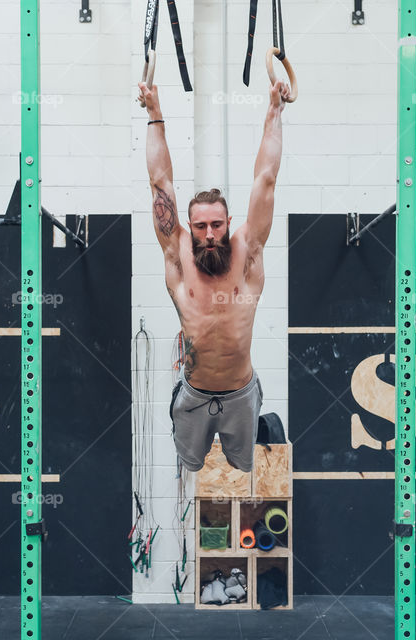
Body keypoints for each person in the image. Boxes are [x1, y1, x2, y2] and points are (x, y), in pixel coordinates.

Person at [137, 78, 291, 472]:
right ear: (188, 224)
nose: (209, 234)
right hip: (194, 394)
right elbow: (160, 183)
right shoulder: (178, 255)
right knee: (189, 465)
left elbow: (266, 179)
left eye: (217, 225)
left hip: (241, 395)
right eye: (201, 225)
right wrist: (155, 114)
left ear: (229, 222)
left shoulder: (247, 252)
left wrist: (274, 110)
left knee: (243, 468)